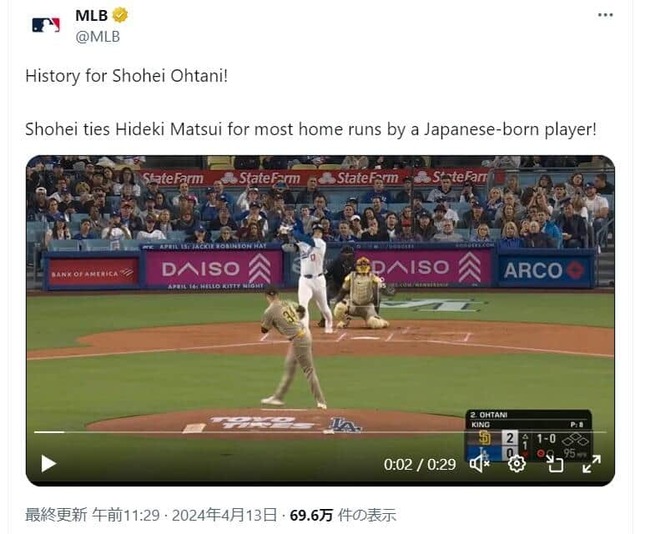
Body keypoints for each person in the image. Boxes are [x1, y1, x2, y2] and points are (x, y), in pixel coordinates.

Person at [260, 285, 327, 409]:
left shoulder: (269, 311)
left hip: (299, 340)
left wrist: (272, 322)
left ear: (267, 296)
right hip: (303, 334)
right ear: (277, 295)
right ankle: (278, 397)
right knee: (289, 366)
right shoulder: (287, 302)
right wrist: (295, 319)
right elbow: (302, 309)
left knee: (309, 370)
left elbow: (264, 330)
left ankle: (321, 401)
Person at [292, 224, 334, 333]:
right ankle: (304, 328)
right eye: (316, 231)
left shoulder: (321, 243)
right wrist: (285, 236)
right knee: (303, 305)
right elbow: (288, 247)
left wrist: (295, 232)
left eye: (320, 231)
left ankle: (329, 321)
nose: (318, 233)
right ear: (313, 232)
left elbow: (305, 239)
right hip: (305, 280)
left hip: (318, 280)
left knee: (323, 307)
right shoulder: (304, 244)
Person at [332, 257, 389, 330]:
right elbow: (343, 291)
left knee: (374, 323)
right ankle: (345, 321)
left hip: (367, 307)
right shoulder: (351, 276)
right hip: (353, 305)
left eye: (365, 265)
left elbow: (378, 295)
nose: (363, 267)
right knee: (339, 308)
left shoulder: (373, 277)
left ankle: (382, 322)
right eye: (361, 265)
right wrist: (336, 303)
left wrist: (376, 313)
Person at [317, 245, 356, 328]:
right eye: (345, 254)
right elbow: (326, 275)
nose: (347, 257)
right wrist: (325, 285)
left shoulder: (355, 264)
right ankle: (325, 318)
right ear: (341, 255)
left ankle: (370, 317)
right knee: (325, 295)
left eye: (349, 255)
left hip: (350, 287)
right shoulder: (335, 263)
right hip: (336, 284)